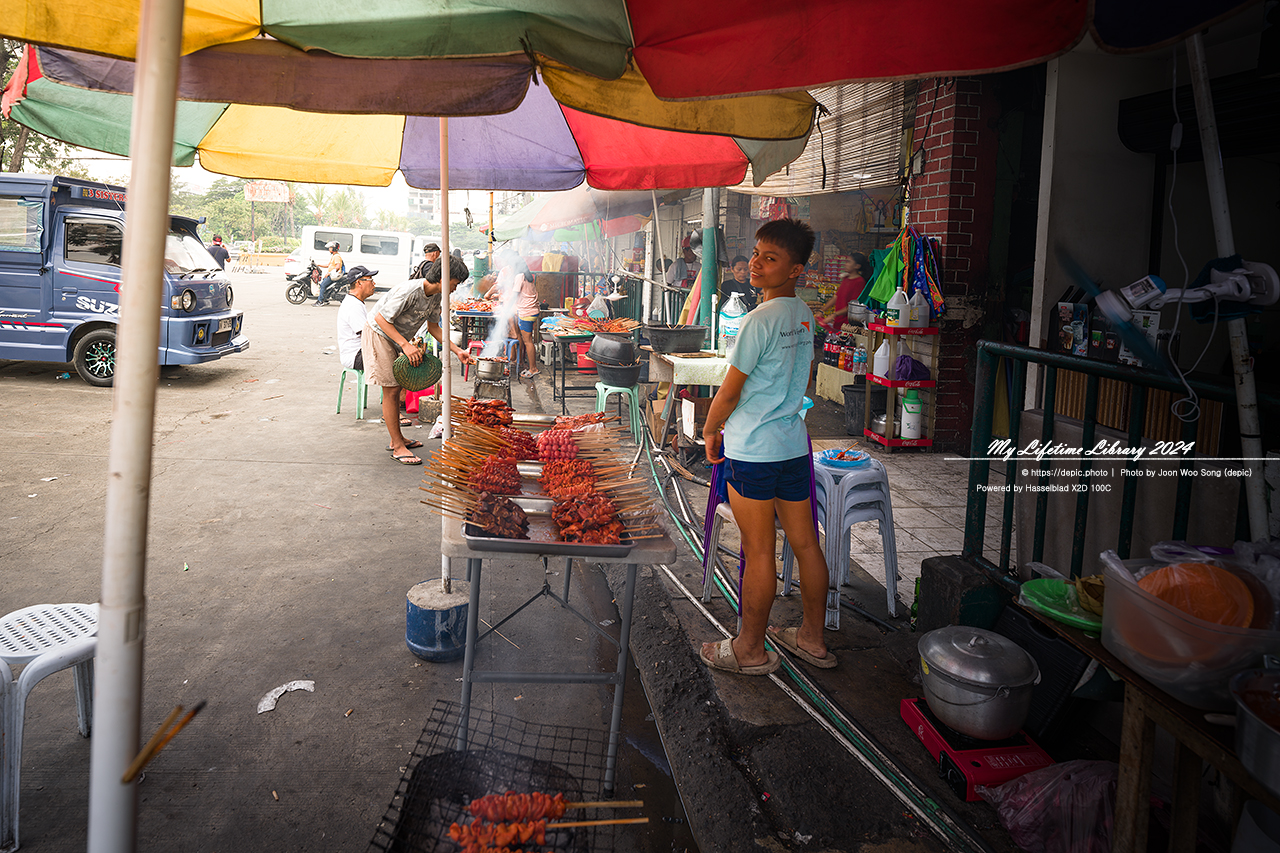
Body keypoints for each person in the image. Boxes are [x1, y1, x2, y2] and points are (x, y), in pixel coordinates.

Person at [700, 218, 836, 676]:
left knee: (758, 551)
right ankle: (812, 638)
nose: (756, 263)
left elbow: (730, 391)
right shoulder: (803, 315)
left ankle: (750, 650)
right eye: (756, 253)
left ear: (795, 269)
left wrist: (710, 429)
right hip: (792, 447)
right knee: (806, 545)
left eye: (770, 258)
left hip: (754, 451)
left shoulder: (759, 321)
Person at [364, 255, 473, 464]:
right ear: (444, 277)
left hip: (396, 337)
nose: (455, 288)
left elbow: (434, 328)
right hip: (379, 333)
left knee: (397, 388)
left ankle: (397, 438)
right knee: (392, 389)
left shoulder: (436, 296)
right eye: (455, 283)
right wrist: (405, 345)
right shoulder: (410, 291)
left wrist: (457, 350)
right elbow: (381, 319)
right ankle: (397, 446)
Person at [485, 261, 540, 379]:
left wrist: (506, 310)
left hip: (526, 312)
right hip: (531, 310)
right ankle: (529, 366)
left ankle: (533, 369)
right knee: (528, 340)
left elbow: (514, 295)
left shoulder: (520, 276)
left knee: (528, 341)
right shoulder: (528, 277)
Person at [336, 265, 377, 371]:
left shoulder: (356, 302)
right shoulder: (353, 305)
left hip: (360, 352)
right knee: (394, 360)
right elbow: (367, 335)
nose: (374, 284)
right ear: (359, 283)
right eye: (370, 280)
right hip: (355, 355)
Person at [816, 253, 871, 331]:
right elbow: (836, 297)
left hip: (848, 325)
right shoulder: (846, 279)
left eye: (849, 262)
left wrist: (833, 315)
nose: (845, 264)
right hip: (838, 322)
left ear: (857, 266)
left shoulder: (859, 282)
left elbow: (853, 307)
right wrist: (822, 310)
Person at [314, 240, 345, 306]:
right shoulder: (334, 256)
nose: (329, 249)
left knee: (322, 285)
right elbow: (328, 265)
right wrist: (319, 265)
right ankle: (325, 299)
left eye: (330, 248)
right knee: (325, 285)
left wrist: (329, 273)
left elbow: (337, 266)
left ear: (334, 248)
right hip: (332, 274)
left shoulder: (336, 256)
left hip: (333, 275)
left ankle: (320, 301)